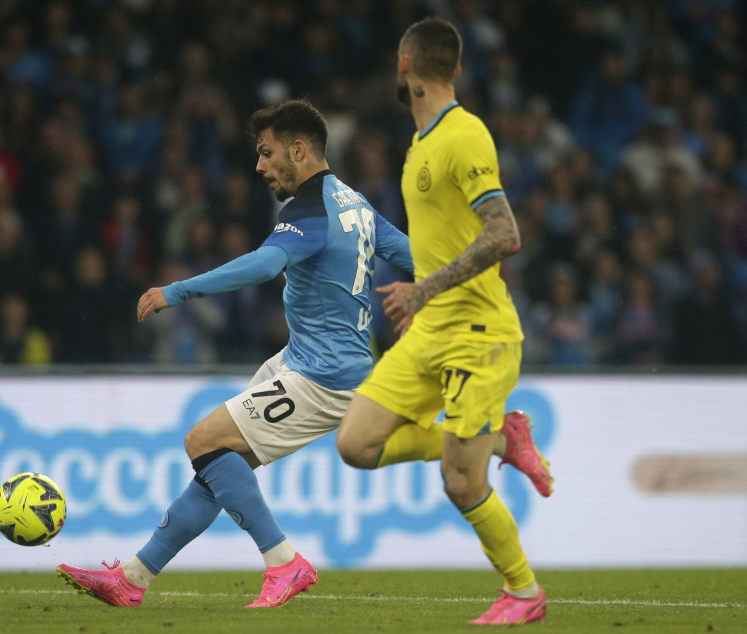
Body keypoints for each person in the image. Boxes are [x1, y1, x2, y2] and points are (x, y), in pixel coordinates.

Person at [56, 98, 414, 608]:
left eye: (267, 154)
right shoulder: (354, 202)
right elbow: (412, 255)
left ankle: (284, 562)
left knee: (202, 440)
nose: (260, 166)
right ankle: (132, 578)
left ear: (299, 149)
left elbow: (266, 265)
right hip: (307, 360)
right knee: (218, 464)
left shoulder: (310, 211)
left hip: (324, 375)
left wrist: (175, 290)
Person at [335, 17, 552, 626]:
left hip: (479, 334)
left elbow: (505, 233)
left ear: (404, 65)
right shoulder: (421, 141)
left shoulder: (464, 135)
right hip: (432, 329)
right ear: (453, 68)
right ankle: (501, 438)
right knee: (355, 444)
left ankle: (523, 591)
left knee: (461, 482)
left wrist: (423, 288)